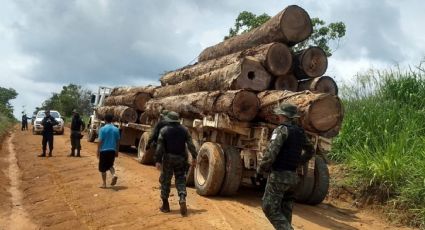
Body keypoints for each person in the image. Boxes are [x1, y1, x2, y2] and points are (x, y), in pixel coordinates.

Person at [257, 103, 314, 230]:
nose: (277, 116)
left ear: (283, 115)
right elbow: (311, 151)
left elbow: (271, 153)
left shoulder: (281, 130)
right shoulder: (300, 132)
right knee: (285, 210)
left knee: (269, 208)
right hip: (293, 178)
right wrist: (298, 162)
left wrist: (260, 170)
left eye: (279, 114)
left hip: (279, 176)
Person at [155, 111, 197, 216]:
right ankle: (182, 197)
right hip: (181, 158)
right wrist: (195, 157)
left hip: (168, 158)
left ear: (169, 120)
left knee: (166, 181)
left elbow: (159, 147)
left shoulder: (164, 130)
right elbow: (191, 145)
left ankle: (165, 205)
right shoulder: (185, 130)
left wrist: (158, 160)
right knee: (180, 179)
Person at [97, 113, 120, 188]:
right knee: (110, 165)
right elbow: (118, 141)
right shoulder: (116, 129)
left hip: (104, 150)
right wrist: (117, 150)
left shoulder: (102, 129)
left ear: (105, 120)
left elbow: (100, 141)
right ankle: (114, 175)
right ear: (112, 120)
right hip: (112, 150)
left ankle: (104, 184)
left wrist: (98, 151)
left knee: (103, 168)